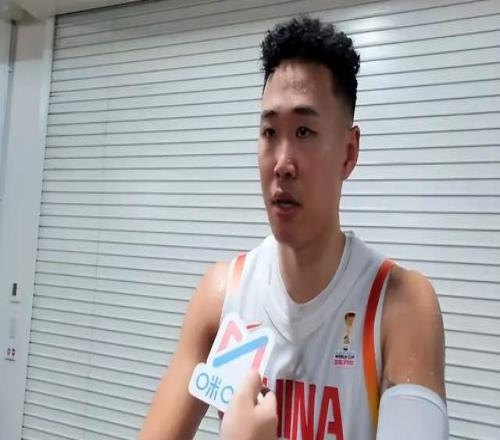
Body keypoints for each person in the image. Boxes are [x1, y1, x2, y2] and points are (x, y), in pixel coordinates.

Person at [139, 16, 448, 439]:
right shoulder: (220, 296)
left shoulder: (400, 305)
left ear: (348, 152)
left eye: (304, 131)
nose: (282, 164)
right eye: (270, 131)